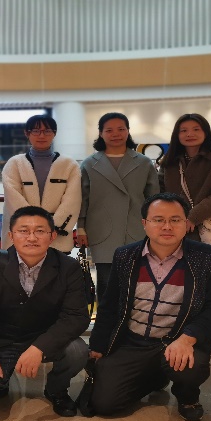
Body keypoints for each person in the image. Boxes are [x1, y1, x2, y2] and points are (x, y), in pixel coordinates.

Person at [88, 193, 211, 421]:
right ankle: (155, 375)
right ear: (144, 223)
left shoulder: (209, 258)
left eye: (175, 220)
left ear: (186, 223)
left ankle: (187, 396)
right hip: (134, 341)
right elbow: (109, 304)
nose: (167, 226)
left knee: (190, 368)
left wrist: (188, 338)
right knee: (104, 404)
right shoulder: (125, 256)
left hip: (178, 339)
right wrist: (98, 345)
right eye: (158, 220)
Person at [0, 206, 90, 417]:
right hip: (1, 338)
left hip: (43, 337)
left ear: (52, 236)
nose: (31, 237)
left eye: (40, 231)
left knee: (77, 351)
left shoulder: (68, 267)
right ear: (11, 236)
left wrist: (39, 348)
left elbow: (76, 316)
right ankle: (2, 381)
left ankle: (56, 390)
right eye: (23, 231)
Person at [78, 112, 160, 304]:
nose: (115, 134)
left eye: (121, 129)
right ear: (100, 133)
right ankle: (106, 321)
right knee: (106, 283)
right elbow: (83, 199)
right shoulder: (89, 164)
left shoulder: (143, 162)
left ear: (128, 131)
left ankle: (135, 320)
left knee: (138, 283)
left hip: (136, 228)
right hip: (101, 229)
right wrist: (80, 227)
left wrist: (155, 227)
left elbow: (154, 199)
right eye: (109, 130)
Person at [1, 114, 80, 253]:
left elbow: (72, 201)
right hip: (22, 235)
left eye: (47, 131)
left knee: (56, 266)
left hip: (56, 236)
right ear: (27, 133)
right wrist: (34, 227)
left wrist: (52, 228)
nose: (41, 135)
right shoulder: (14, 163)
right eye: (36, 131)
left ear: (54, 133)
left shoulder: (69, 165)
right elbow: (13, 199)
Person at [158, 113, 211, 242]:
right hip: (175, 226)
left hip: (210, 225)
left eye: (196, 129)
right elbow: (160, 190)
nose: (190, 134)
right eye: (184, 131)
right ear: (177, 135)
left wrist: (194, 216)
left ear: (206, 132)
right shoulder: (170, 160)